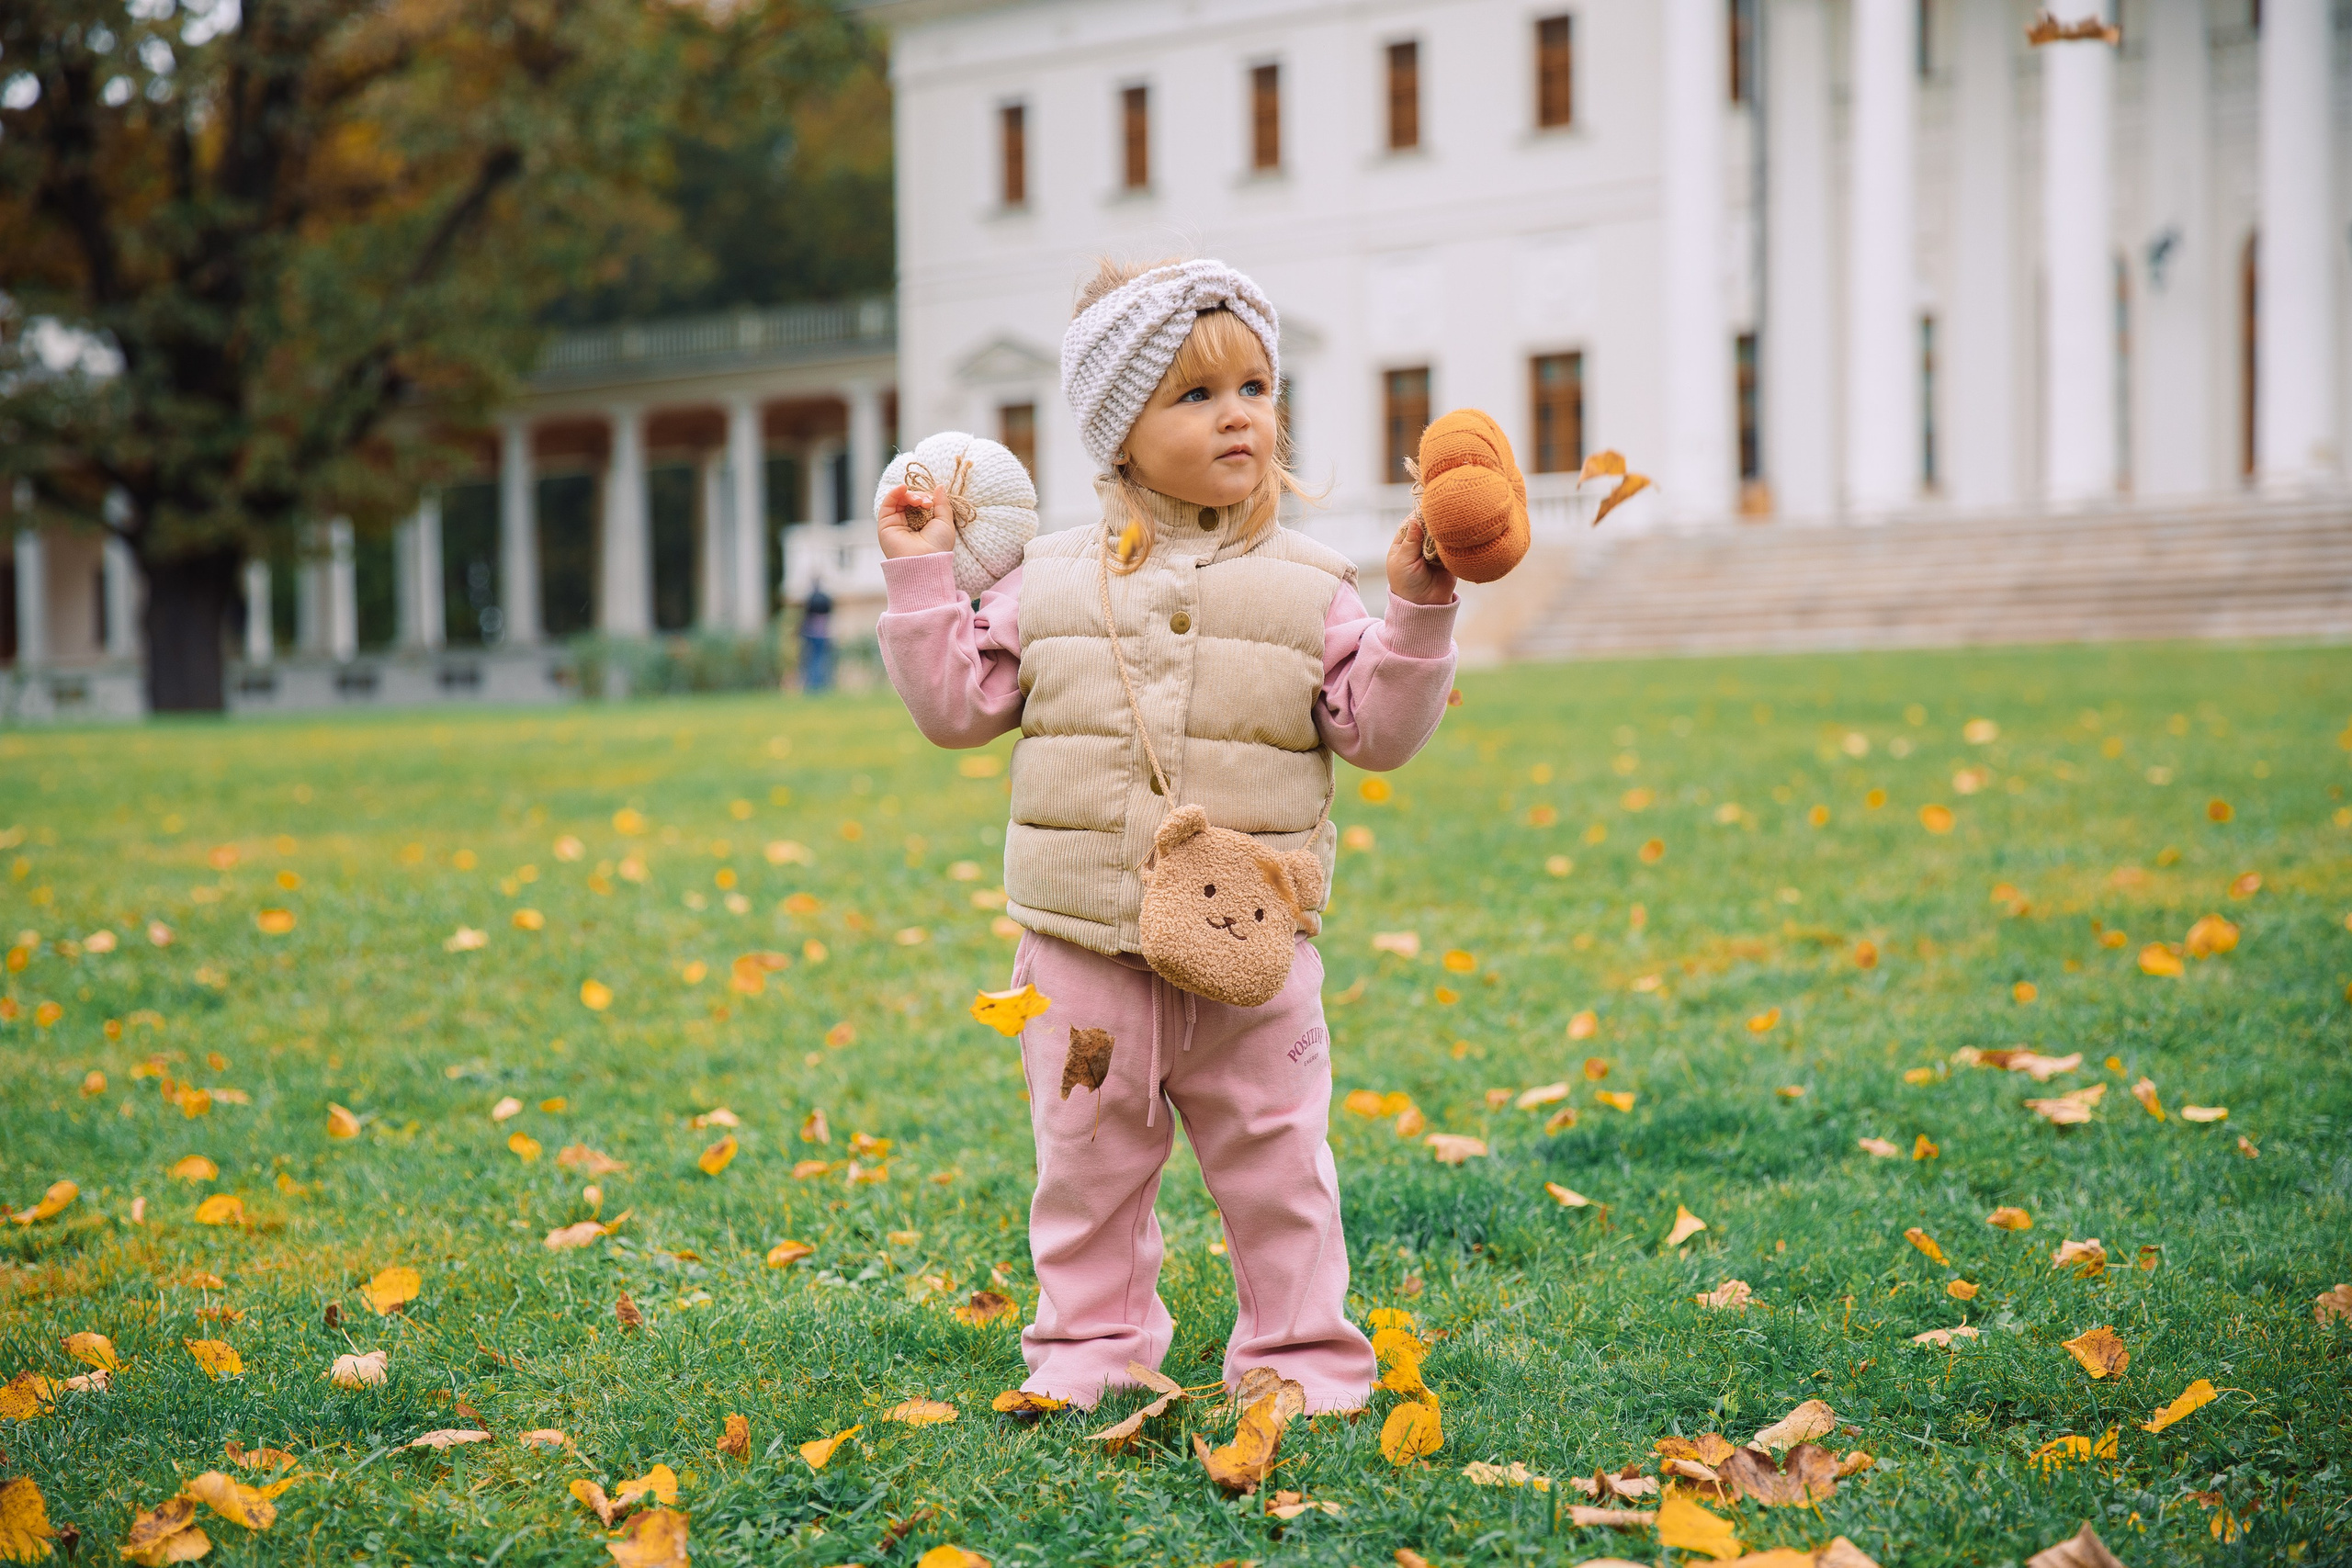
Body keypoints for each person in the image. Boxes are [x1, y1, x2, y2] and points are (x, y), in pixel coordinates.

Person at [874, 257, 1459, 1415]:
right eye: (1193, 395)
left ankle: (1299, 1357)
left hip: (1255, 954)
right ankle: (1093, 1349)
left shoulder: (1313, 585)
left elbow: (1377, 731)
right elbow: (955, 709)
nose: (1237, 412)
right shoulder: (1042, 582)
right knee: (1086, 1171)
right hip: (1084, 953)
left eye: (1253, 385)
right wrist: (920, 576)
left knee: (1280, 1167)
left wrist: (1418, 611)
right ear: (1118, 435)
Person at [798, 579, 833, 693]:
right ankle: (819, 684)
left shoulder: (811, 600)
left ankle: (813, 684)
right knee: (821, 659)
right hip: (823, 634)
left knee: (812, 659)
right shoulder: (825, 599)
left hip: (811, 633)